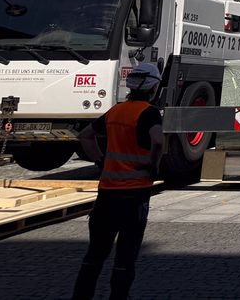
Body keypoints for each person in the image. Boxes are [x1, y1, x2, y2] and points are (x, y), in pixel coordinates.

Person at [72, 62, 165, 300]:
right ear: (154, 88)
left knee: (95, 254)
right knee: (125, 255)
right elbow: (157, 140)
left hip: (107, 194)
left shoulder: (116, 111)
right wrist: (153, 164)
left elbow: (85, 136)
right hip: (135, 195)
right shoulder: (149, 112)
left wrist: (100, 160)